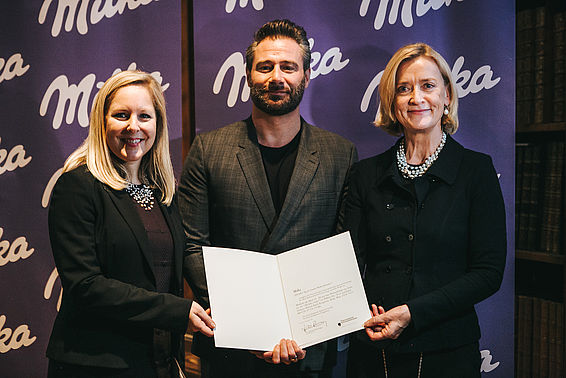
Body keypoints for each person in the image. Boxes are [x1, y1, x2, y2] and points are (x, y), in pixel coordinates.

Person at [179, 19, 358, 378]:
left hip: (312, 347)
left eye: (288, 66)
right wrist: (251, 326)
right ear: (248, 74)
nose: (276, 77)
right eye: (265, 66)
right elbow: (192, 246)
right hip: (231, 347)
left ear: (306, 75)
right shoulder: (209, 150)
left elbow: (344, 250)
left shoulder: (340, 154)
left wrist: (304, 326)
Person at [338, 43, 506, 378]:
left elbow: (488, 272)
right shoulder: (365, 175)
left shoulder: (476, 171)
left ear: (447, 96)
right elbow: (347, 265)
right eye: (404, 88)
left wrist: (412, 313)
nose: (416, 98)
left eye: (427, 86)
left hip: (449, 352)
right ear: (391, 102)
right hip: (374, 347)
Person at [46, 70, 215, 378]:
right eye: (121, 115)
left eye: (144, 116)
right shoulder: (78, 185)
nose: (133, 126)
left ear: (158, 125)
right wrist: (176, 311)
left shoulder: (162, 192)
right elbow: (85, 287)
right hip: (96, 364)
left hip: (160, 361)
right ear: (102, 122)